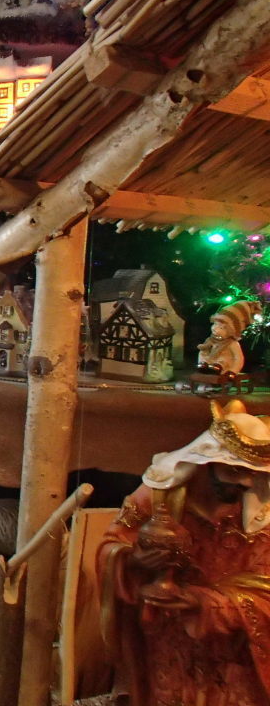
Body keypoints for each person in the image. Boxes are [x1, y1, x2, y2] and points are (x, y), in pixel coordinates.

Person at [98, 400, 270, 706]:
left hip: (237, 646)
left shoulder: (263, 508)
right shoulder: (160, 493)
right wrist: (134, 560)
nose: (245, 483)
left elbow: (264, 583)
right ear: (208, 461)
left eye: (251, 473)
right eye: (234, 471)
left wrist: (209, 603)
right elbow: (112, 544)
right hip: (170, 637)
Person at [197, 299, 261, 375]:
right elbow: (203, 350)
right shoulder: (210, 340)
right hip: (210, 362)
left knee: (223, 360)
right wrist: (202, 360)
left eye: (221, 327)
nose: (215, 329)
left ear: (232, 330)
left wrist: (233, 371)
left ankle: (218, 367)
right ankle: (204, 365)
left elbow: (238, 359)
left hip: (224, 368)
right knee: (204, 353)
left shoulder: (232, 343)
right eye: (215, 324)